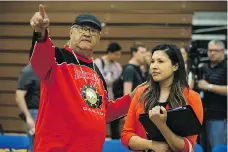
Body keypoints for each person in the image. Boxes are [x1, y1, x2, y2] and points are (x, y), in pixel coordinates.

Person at [29, 4, 141, 152]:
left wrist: (132, 98)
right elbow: (39, 60)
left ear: (99, 38)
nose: (87, 34)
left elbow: (104, 112)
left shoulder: (97, 72)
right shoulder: (56, 57)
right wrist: (41, 33)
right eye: (82, 28)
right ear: (71, 32)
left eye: (93, 31)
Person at [121, 44, 203, 152]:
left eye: (160, 61)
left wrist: (162, 125)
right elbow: (126, 135)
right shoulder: (141, 93)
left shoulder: (191, 97)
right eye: (152, 61)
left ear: (175, 66)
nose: (154, 66)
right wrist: (151, 144)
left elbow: (188, 147)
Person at [197, 40, 227, 150]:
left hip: (220, 117)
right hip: (203, 116)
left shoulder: (226, 67)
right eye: (210, 50)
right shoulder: (203, 68)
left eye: (215, 50)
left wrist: (209, 87)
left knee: (218, 148)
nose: (212, 53)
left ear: (222, 51)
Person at [94, 42, 123, 139]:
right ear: (110, 52)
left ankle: (114, 139)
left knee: (114, 122)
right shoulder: (98, 62)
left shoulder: (117, 66)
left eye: (119, 54)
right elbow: (99, 80)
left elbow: (118, 81)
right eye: (116, 54)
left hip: (112, 97)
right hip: (100, 97)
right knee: (98, 120)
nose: (118, 57)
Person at [15, 62, 40, 151]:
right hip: (34, 113)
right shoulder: (29, 71)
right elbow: (19, 96)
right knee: (35, 145)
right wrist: (28, 117)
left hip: (46, 112)